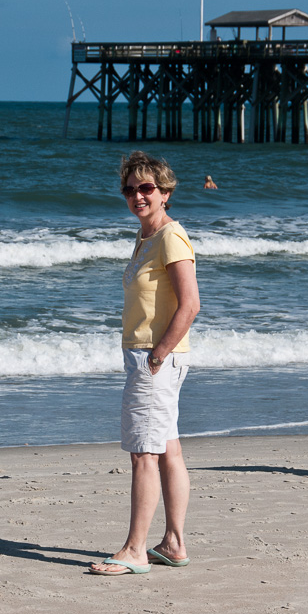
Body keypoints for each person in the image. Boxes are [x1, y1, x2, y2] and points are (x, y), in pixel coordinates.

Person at [91, 151, 200, 575]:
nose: (138, 195)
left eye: (147, 188)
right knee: (167, 449)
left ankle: (135, 550)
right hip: (150, 356)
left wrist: (157, 355)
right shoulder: (147, 237)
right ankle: (173, 542)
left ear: (165, 193)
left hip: (155, 357)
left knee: (143, 454)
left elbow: (190, 305)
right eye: (130, 188)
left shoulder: (171, 237)